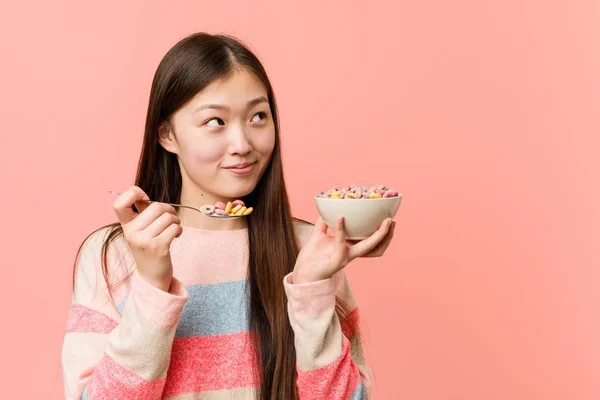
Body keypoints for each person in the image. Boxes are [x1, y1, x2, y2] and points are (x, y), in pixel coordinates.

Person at [61, 32, 395, 400]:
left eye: (258, 116)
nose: (242, 145)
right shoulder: (114, 255)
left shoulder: (311, 249)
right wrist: (153, 287)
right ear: (167, 134)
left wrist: (310, 289)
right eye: (215, 121)